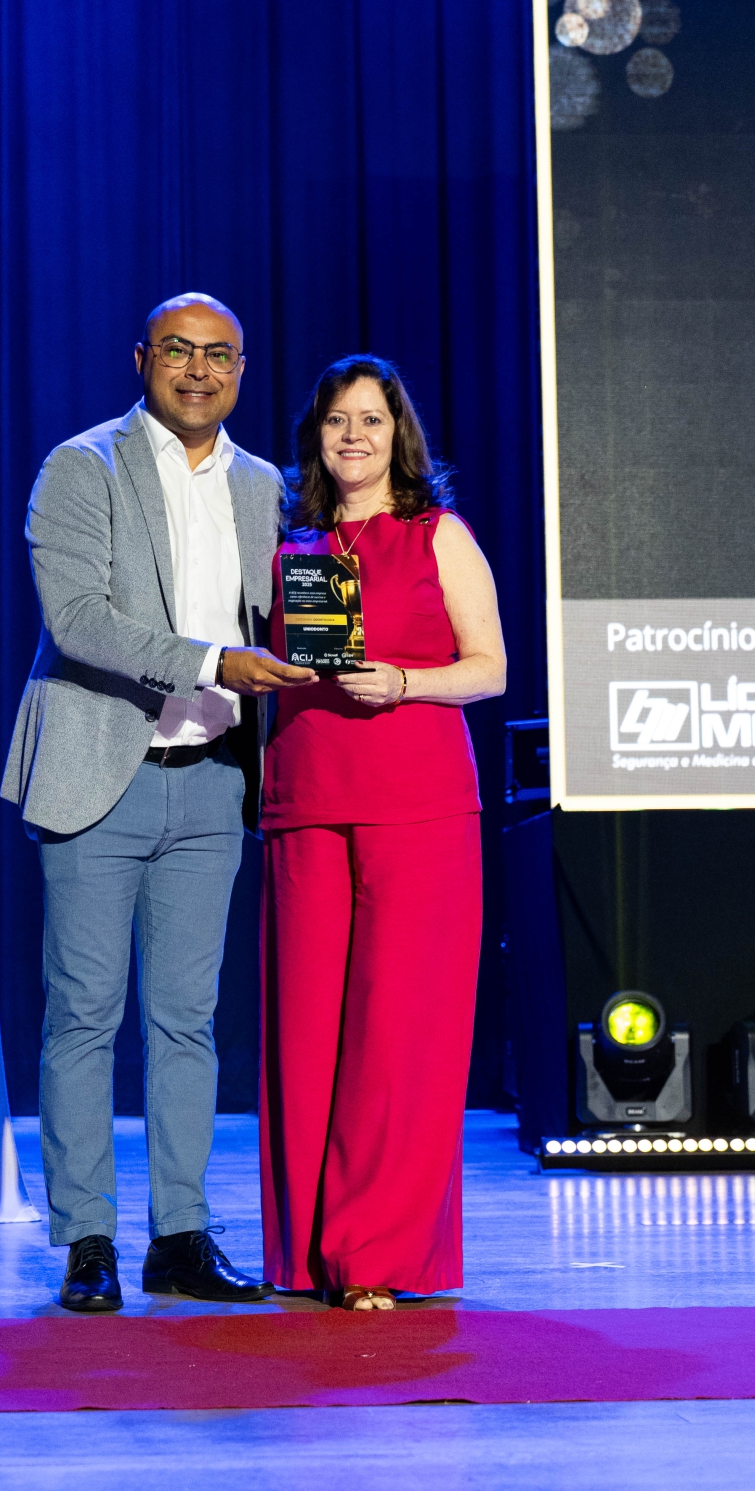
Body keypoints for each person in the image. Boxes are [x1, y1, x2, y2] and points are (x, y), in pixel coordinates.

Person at [1, 293, 314, 1312]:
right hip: (100, 772)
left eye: (219, 354)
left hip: (214, 780)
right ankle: (87, 1239)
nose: (198, 370)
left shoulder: (266, 486)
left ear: (242, 369)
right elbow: (78, 619)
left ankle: (179, 1234)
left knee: (188, 1020)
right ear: (142, 358)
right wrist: (216, 661)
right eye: (178, 351)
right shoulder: (81, 466)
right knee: (84, 1016)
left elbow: (293, 612)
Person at [259, 355, 506, 1311]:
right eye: (337, 421)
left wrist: (404, 681)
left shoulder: (439, 535)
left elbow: (488, 668)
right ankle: (309, 1253)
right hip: (308, 799)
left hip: (420, 803)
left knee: (399, 1032)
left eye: (371, 419)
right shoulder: (295, 546)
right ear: (316, 438)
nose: (353, 436)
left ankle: (373, 1256)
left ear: (399, 434)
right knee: (308, 1033)